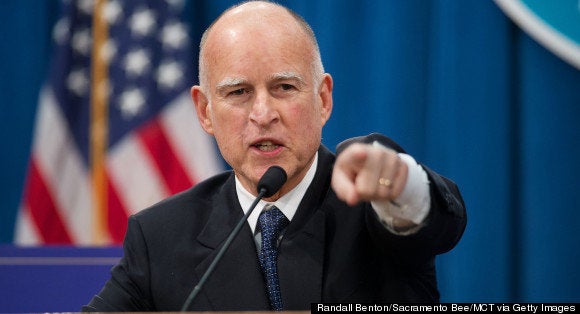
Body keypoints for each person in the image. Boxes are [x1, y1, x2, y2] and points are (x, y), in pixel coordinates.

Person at [83, 1, 466, 311]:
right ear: (204, 111)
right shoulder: (161, 237)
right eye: (238, 93)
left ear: (323, 99)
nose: (263, 114)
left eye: (284, 87)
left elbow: (437, 221)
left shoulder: (374, 205)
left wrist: (399, 182)